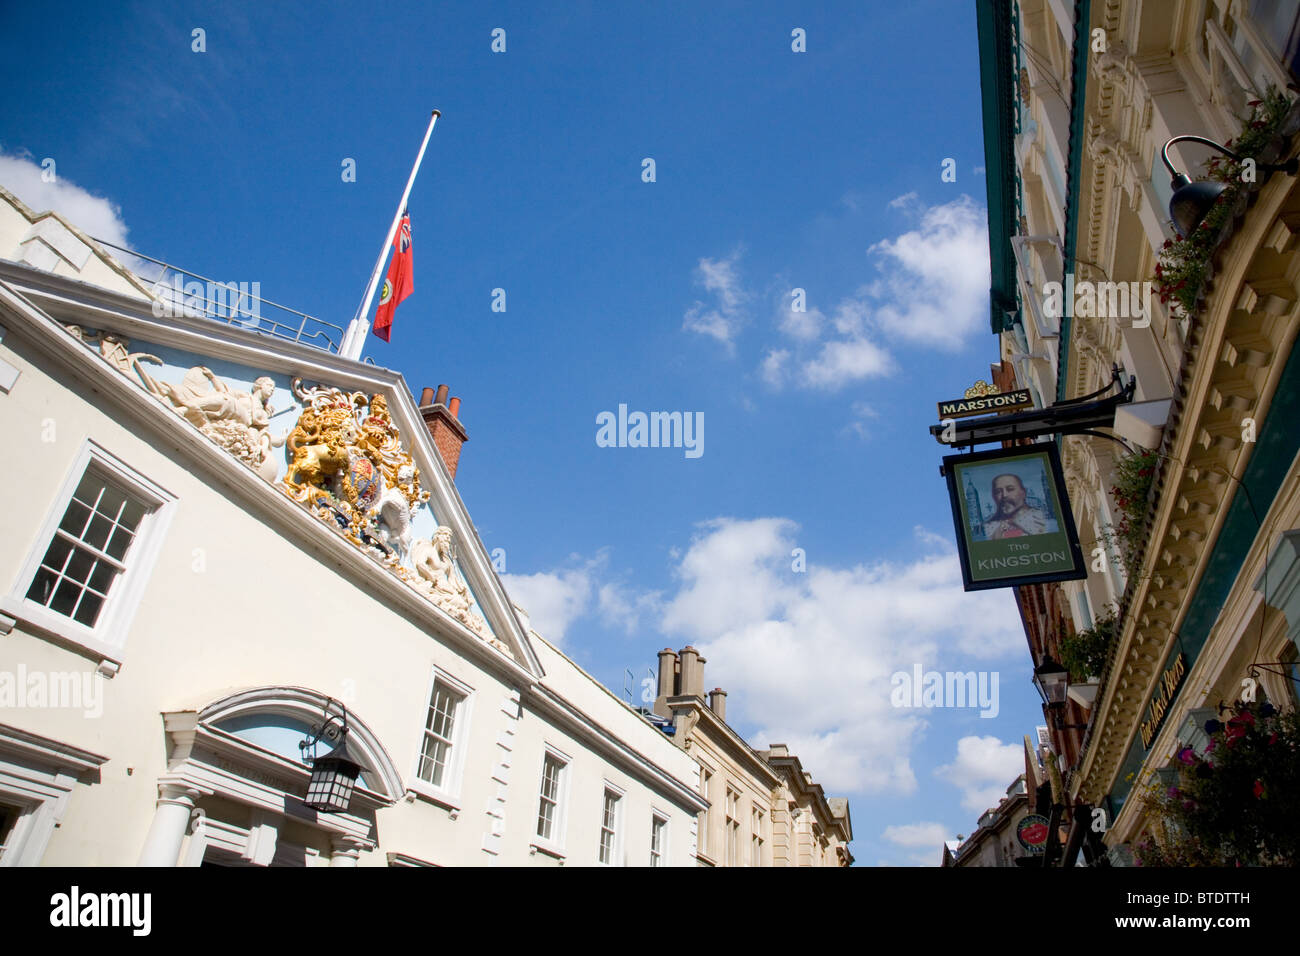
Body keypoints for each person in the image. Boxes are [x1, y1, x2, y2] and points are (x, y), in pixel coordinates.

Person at [983, 473, 1054, 538]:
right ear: (994, 497)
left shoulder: (1040, 518)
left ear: (1023, 493)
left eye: (1010, 489)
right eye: (998, 491)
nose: (1004, 495)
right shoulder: (989, 526)